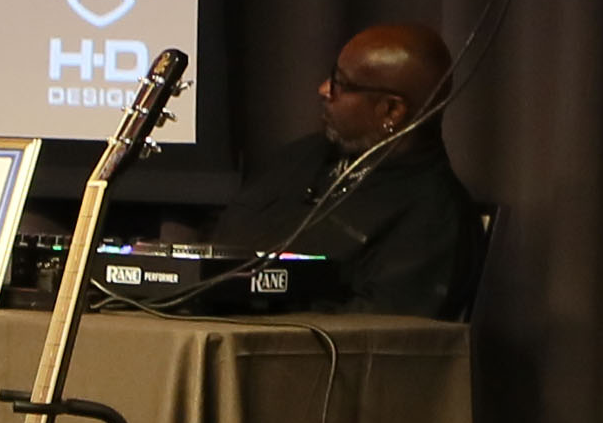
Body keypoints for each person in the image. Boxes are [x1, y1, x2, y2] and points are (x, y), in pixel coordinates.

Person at [207, 21, 484, 319]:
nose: (324, 89)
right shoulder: (299, 158)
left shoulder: (433, 217)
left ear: (392, 110)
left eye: (340, 84)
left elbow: (382, 334)